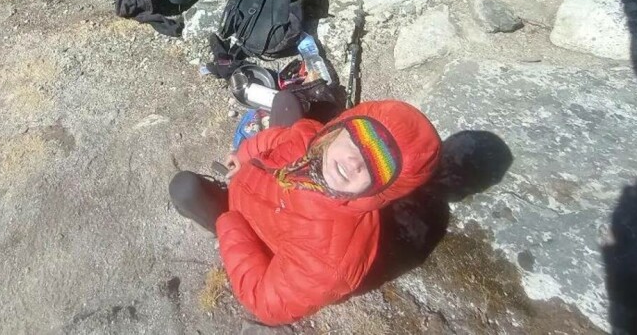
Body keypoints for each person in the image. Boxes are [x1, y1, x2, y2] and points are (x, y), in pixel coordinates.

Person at [168, 93, 441, 326]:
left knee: (185, 189)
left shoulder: (328, 262)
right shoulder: (311, 139)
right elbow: (277, 139)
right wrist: (243, 156)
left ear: (383, 190)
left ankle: (213, 221)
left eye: (377, 167)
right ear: (340, 128)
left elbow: (266, 303)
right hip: (256, 184)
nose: (354, 162)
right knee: (286, 102)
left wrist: (228, 224)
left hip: (250, 228)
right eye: (358, 140)